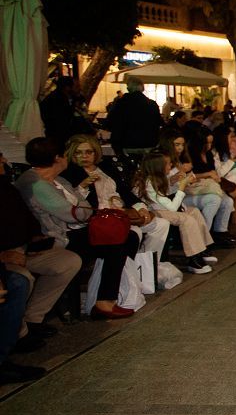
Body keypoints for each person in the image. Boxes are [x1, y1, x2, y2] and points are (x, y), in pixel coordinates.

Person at [16, 137, 140, 320]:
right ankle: (105, 301)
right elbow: (72, 213)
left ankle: (115, 293)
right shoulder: (35, 183)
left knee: (126, 237)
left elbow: (81, 205)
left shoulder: (58, 180)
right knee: (115, 244)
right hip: (56, 237)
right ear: (59, 158)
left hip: (75, 229)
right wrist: (81, 211)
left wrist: (81, 211)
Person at [0, 154, 81, 346]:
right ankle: (17, 335)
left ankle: (33, 318)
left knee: (68, 262)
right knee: (21, 280)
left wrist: (34, 239)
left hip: (23, 248)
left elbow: (24, 218)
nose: (4, 161)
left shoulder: (6, 186)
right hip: (6, 256)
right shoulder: (30, 181)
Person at [63, 134, 170, 261]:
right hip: (101, 218)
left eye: (88, 152)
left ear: (95, 152)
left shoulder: (106, 168)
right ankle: (129, 269)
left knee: (162, 224)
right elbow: (74, 202)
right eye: (78, 153)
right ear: (72, 154)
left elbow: (124, 191)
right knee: (135, 232)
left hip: (122, 212)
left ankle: (148, 265)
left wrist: (141, 207)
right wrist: (82, 186)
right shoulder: (70, 173)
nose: (84, 156)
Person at [132, 151, 216, 275]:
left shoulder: (156, 179)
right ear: (158, 167)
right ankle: (194, 259)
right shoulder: (149, 183)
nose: (171, 166)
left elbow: (164, 194)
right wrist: (182, 186)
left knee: (194, 212)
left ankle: (201, 249)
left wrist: (174, 182)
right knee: (186, 219)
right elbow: (171, 206)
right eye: (167, 164)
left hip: (161, 208)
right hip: (154, 212)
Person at [189, 128, 236, 238]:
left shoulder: (208, 155)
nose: (209, 145)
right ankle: (205, 236)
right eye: (206, 143)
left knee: (227, 202)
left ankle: (221, 232)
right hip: (197, 187)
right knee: (216, 199)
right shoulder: (192, 155)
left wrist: (212, 175)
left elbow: (214, 172)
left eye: (210, 142)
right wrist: (208, 174)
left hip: (211, 184)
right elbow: (189, 176)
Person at [107, 77, 163, 158]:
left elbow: (110, 122)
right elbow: (158, 122)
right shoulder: (152, 104)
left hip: (126, 143)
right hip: (149, 143)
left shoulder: (120, 103)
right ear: (141, 87)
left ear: (128, 87)